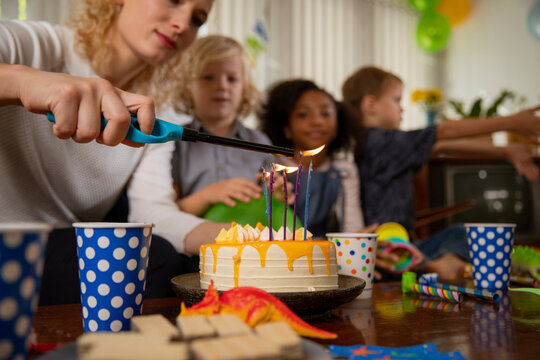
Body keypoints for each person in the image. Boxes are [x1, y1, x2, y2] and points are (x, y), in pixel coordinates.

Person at [0, 0, 216, 304]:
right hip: (7, 242)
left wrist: (250, 241)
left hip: (56, 255)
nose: (182, 24)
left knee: (166, 260)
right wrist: (22, 81)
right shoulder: (35, 45)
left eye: (198, 18)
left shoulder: (160, 112)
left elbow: (153, 212)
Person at [342, 66, 540, 280]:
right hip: (390, 252)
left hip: (401, 246)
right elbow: (443, 132)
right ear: (370, 104)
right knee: (466, 239)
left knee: (458, 233)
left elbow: (439, 147)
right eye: (397, 100)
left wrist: (504, 151)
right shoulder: (382, 141)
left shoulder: (376, 142)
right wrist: (511, 122)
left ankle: (435, 265)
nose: (402, 109)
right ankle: (431, 266)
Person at [128, 35, 291, 263]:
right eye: (208, 77)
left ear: (245, 88)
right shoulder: (173, 144)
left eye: (232, 79)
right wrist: (208, 196)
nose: (221, 86)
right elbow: (167, 213)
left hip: (255, 254)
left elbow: (274, 204)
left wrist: (279, 194)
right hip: (195, 254)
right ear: (187, 89)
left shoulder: (260, 141)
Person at [259, 79, 376, 238]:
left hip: (324, 253)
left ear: (338, 125)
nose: (316, 121)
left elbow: (352, 227)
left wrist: (360, 238)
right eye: (303, 115)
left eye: (325, 113)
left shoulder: (344, 170)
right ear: (286, 128)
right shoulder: (270, 166)